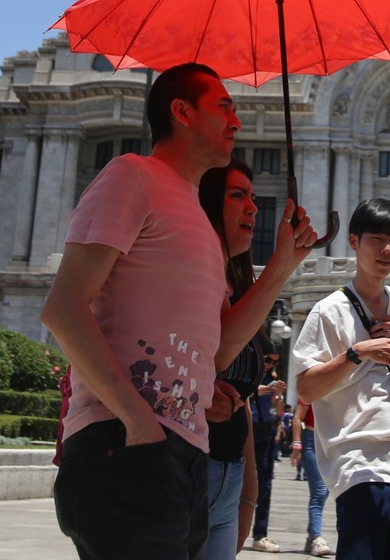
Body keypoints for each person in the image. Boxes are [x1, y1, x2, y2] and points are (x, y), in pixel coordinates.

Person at [41, 63, 316, 560]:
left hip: (185, 454)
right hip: (123, 442)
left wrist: (282, 265)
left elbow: (219, 349)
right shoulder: (131, 175)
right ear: (182, 112)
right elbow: (63, 308)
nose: (237, 121)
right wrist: (137, 421)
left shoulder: (199, 220)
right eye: (224, 107)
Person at [293, 198, 390, 560]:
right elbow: (306, 388)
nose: (387, 250)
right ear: (354, 242)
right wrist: (358, 352)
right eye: (377, 239)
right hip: (360, 467)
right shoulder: (328, 311)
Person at [197, 158, 313, 559]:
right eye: (237, 196)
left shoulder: (240, 286)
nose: (253, 208)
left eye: (254, 198)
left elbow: (239, 401)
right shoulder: (188, 277)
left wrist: (248, 492)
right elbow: (216, 355)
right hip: (185, 469)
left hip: (227, 479)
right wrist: (282, 264)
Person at [249, 344, 286, 552]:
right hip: (247, 428)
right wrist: (256, 390)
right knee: (238, 480)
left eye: (275, 361)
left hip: (266, 428)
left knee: (265, 483)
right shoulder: (249, 372)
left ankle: (260, 534)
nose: (270, 365)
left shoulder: (271, 378)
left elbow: (278, 412)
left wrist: (278, 395)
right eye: (268, 359)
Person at [290, 399, 333, 556]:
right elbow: (297, 418)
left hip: (332, 442)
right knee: (319, 491)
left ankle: (311, 537)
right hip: (312, 441)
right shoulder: (311, 390)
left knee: (326, 491)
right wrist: (296, 445)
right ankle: (316, 537)